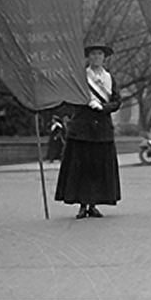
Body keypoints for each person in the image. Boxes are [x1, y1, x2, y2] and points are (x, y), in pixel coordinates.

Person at [54, 43, 122, 219]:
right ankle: (82, 205)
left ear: (104, 58)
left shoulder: (110, 78)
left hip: (102, 129)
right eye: (93, 54)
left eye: (99, 54)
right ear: (88, 57)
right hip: (82, 129)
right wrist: (86, 103)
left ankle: (94, 204)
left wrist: (104, 107)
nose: (96, 57)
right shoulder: (81, 77)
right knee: (81, 168)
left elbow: (117, 101)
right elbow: (70, 98)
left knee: (98, 168)